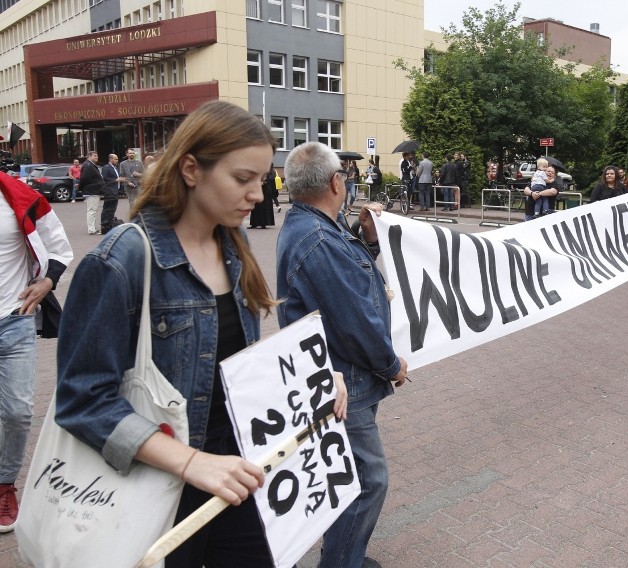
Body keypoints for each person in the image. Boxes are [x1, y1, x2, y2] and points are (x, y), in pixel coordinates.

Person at [54, 101, 347, 567]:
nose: (257, 193)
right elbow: (82, 399)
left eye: (262, 178)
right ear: (191, 168)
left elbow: (226, 359)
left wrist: (314, 378)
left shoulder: (234, 243)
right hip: (158, 484)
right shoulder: (121, 259)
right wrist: (192, 463)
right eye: (242, 178)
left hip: (237, 467)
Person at [276, 141, 408, 568]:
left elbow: (348, 280)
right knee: (369, 480)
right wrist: (391, 365)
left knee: (350, 474)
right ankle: (341, 562)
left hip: (338, 375)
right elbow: (355, 320)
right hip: (343, 380)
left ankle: (343, 554)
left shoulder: (316, 227)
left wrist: (367, 240)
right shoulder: (318, 238)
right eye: (345, 177)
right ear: (336, 182)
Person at [0, 172, 73, 533]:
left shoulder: (19, 196)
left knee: (16, 411)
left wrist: (48, 280)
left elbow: (59, 245)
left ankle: (4, 484)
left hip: (15, 320)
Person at [79, 150, 104, 235]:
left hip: (93, 190)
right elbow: (84, 178)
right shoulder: (88, 166)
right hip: (91, 191)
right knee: (92, 210)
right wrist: (80, 188)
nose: (96, 157)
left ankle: (92, 228)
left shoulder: (90, 165)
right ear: (89, 156)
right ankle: (91, 229)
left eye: (97, 156)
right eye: (94, 156)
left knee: (93, 210)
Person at [100, 153, 125, 234]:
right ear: (111, 159)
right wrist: (115, 180)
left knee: (112, 209)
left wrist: (121, 180)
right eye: (116, 159)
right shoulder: (106, 167)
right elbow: (104, 179)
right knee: (107, 208)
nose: (117, 161)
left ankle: (110, 223)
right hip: (109, 191)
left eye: (117, 159)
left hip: (116, 191)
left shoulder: (115, 168)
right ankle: (104, 224)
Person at [249, 164, 277, 229]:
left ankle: (263, 223)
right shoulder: (260, 170)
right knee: (255, 207)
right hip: (258, 189)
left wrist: (264, 182)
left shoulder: (271, 171)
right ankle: (254, 223)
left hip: (266, 191)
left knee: (264, 207)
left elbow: (271, 179)